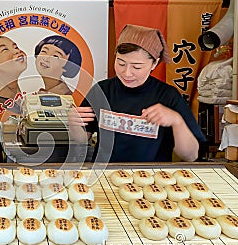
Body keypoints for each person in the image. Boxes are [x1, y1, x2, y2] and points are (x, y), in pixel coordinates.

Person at [68, 24, 206, 163]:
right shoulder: (102, 90)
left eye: (137, 67)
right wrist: (74, 124)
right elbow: (82, 138)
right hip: (104, 176)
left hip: (151, 178)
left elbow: (191, 156)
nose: (127, 73)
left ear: (154, 64)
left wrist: (177, 121)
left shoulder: (167, 96)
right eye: (121, 63)